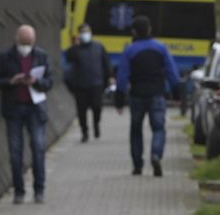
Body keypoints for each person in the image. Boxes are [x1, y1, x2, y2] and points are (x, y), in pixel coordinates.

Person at [0, 25, 53, 204]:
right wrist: (10, 81)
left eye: (29, 43)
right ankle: (19, 191)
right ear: (16, 40)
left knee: (38, 148)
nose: (26, 46)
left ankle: (39, 189)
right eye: (23, 42)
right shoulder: (5, 57)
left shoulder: (41, 56)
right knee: (15, 152)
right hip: (14, 108)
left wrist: (36, 81)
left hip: (35, 109)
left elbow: (49, 82)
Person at [115, 15, 180, 177]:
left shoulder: (129, 50)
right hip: (157, 94)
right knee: (158, 128)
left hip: (137, 95)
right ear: (149, 29)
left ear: (134, 31)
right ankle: (156, 154)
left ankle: (138, 165)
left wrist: (119, 99)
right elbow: (172, 73)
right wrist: (177, 93)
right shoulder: (161, 48)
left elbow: (122, 76)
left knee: (136, 130)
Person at [64, 23, 112, 142]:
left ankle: (96, 124)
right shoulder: (75, 49)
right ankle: (84, 131)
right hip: (80, 84)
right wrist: (73, 46)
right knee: (82, 110)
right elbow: (68, 58)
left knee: (97, 107)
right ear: (79, 34)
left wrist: (110, 76)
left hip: (96, 83)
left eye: (87, 31)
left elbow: (106, 62)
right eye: (83, 32)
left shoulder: (98, 47)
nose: (86, 34)